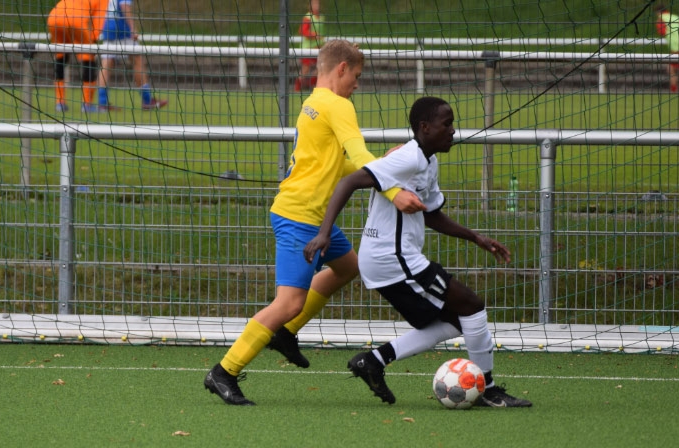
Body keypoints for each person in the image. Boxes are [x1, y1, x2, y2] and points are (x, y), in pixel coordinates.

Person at [204, 40, 426, 406]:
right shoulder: (338, 105)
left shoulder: (313, 102)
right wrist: (394, 191)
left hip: (308, 214)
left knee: (348, 266)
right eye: (356, 76)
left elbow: (343, 164)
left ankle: (285, 333)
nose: (357, 84)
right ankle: (224, 371)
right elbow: (357, 154)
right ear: (341, 68)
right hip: (300, 217)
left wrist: (381, 164)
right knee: (289, 302)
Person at [304, 96, 532, 408]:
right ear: (425, 127)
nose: (453, 131)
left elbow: (431, 214)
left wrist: (476, 237)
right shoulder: (407, 158)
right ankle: (488, 390)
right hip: (392, 258)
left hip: (395, 258)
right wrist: (323, 233)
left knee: (458, 320)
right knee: (472, 305)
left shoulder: (428, 162)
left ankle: (373, 361)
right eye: (446, 124)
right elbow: (349, 181)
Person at [97, 0, 168, 111]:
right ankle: (147, 100)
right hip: (122, 29)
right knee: (137, 60)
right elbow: (124, 5)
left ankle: (102, 103)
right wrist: (133, 28)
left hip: (108, 28)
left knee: (106, 64)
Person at [47, 0, 107, 113]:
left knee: (60, 58)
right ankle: (87, 104)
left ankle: (60, 103)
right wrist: (93, 40)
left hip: (54, 18)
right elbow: (99, 19)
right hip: (75, 19)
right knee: (88, 59)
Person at [295, 0, 324, 92]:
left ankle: (309, 84)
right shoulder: (307, 17)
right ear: (310, 5)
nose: (316, 5)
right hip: (308, 48)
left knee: (321, 67)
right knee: (305, 69)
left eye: (317, 3)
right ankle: (298, 88)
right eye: (314, 4)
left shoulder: (321, 17)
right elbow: (302, 31)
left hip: (318, 48)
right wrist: (314, 35)